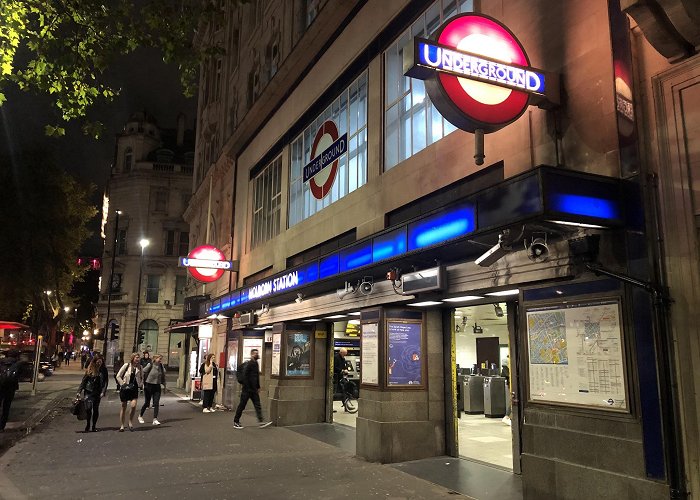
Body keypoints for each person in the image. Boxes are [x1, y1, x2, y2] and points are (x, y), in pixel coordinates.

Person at [233, 349, 271, 429]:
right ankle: (236, 421)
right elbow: (245, 376)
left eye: (257, 353)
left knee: (257, 405)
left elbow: (256, 377)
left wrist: (258, 387)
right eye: (255, 354)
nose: (257, 355)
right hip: (247, 390)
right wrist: (247, 386)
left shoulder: (256, 363)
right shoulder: (250, 364)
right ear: (252, 354)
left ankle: (261, 422)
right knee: (242, 405)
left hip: (253, 390)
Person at [116, 353, 144, 432]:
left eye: (139, 358)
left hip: (134, 388)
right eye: (136, 357)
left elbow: (142, 377)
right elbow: (118, 375)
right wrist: (122, 384)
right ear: (133, 358)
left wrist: (141, 385)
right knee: (123, 406)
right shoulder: (126, 365)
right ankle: (122, 425)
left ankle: (130, 422)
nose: (138, 359)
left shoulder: (140, 367)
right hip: (125, 388)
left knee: (133, 405)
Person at [77, 357, 104, 432]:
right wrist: (79, 391)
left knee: (95, 409)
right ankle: (88, 423)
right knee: (88, 409)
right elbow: (83, 382)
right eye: (98, 362)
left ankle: (94, 426)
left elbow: (104, 382)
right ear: (95, 362)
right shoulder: (89, 370)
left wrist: (103, 391)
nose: (99, 364)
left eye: (101, 362)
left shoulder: (102, 371)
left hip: (97, 393)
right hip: (89, 392)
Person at [138, 354, 166, 425]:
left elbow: (163, 375)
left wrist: (165, 386)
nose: (160, 360)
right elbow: (143, 371)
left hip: (157, 386)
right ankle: (140, 415)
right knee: (147, 402)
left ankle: (155, 419)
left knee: (156, 403)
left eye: (161, 359)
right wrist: (142, 382)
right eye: (159, 359)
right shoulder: (150, 365)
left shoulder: (161, 366)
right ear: (155, 359)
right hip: (149, 385)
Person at [0, 352, 21, 432]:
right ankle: (1, 426)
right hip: (11, 387)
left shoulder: (1, 362)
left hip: (1, 385)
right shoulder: (18, 364)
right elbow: (20, 374)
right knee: (6, 406)